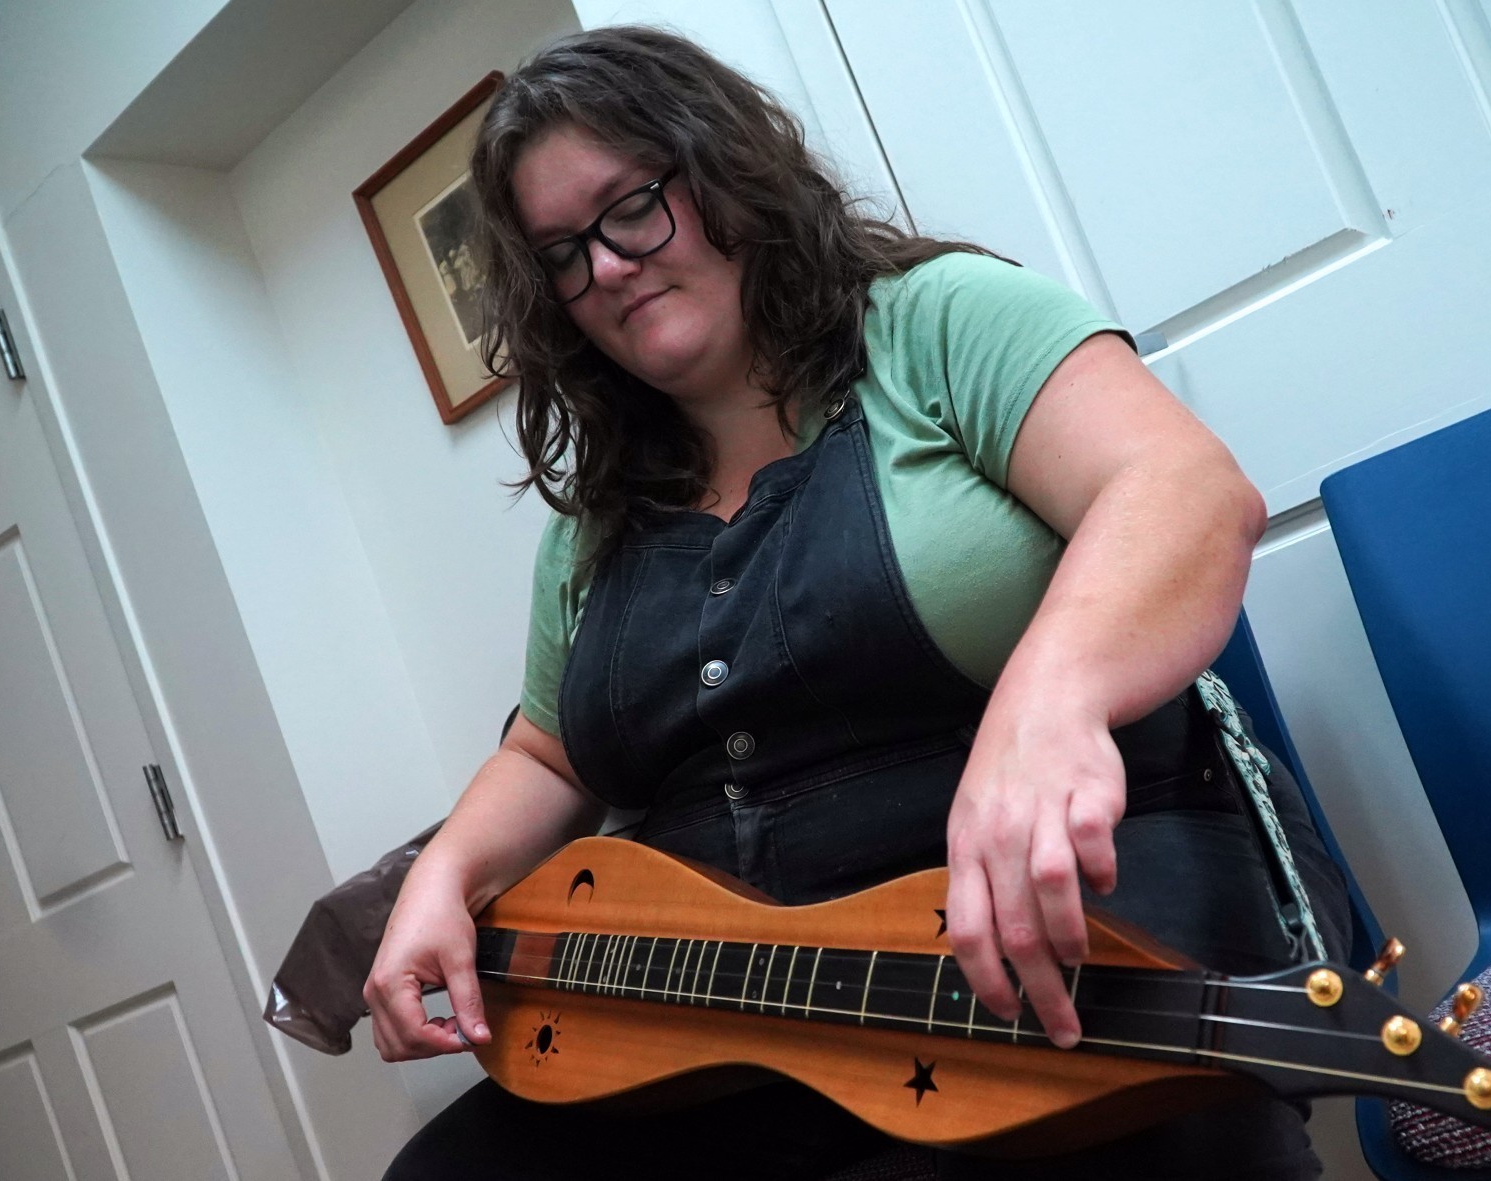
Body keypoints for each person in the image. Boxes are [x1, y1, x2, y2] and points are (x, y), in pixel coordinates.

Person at [369, 25, 1349, 1181]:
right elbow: (549, 754)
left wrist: (1042, 713)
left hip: (1045, 938)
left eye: (629, 207)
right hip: (731, 1010)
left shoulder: (935, 323)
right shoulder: (593, 527)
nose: (609, 267)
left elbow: (1183, 489)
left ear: (722, 169)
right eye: (565, 255)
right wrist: (438, 879)